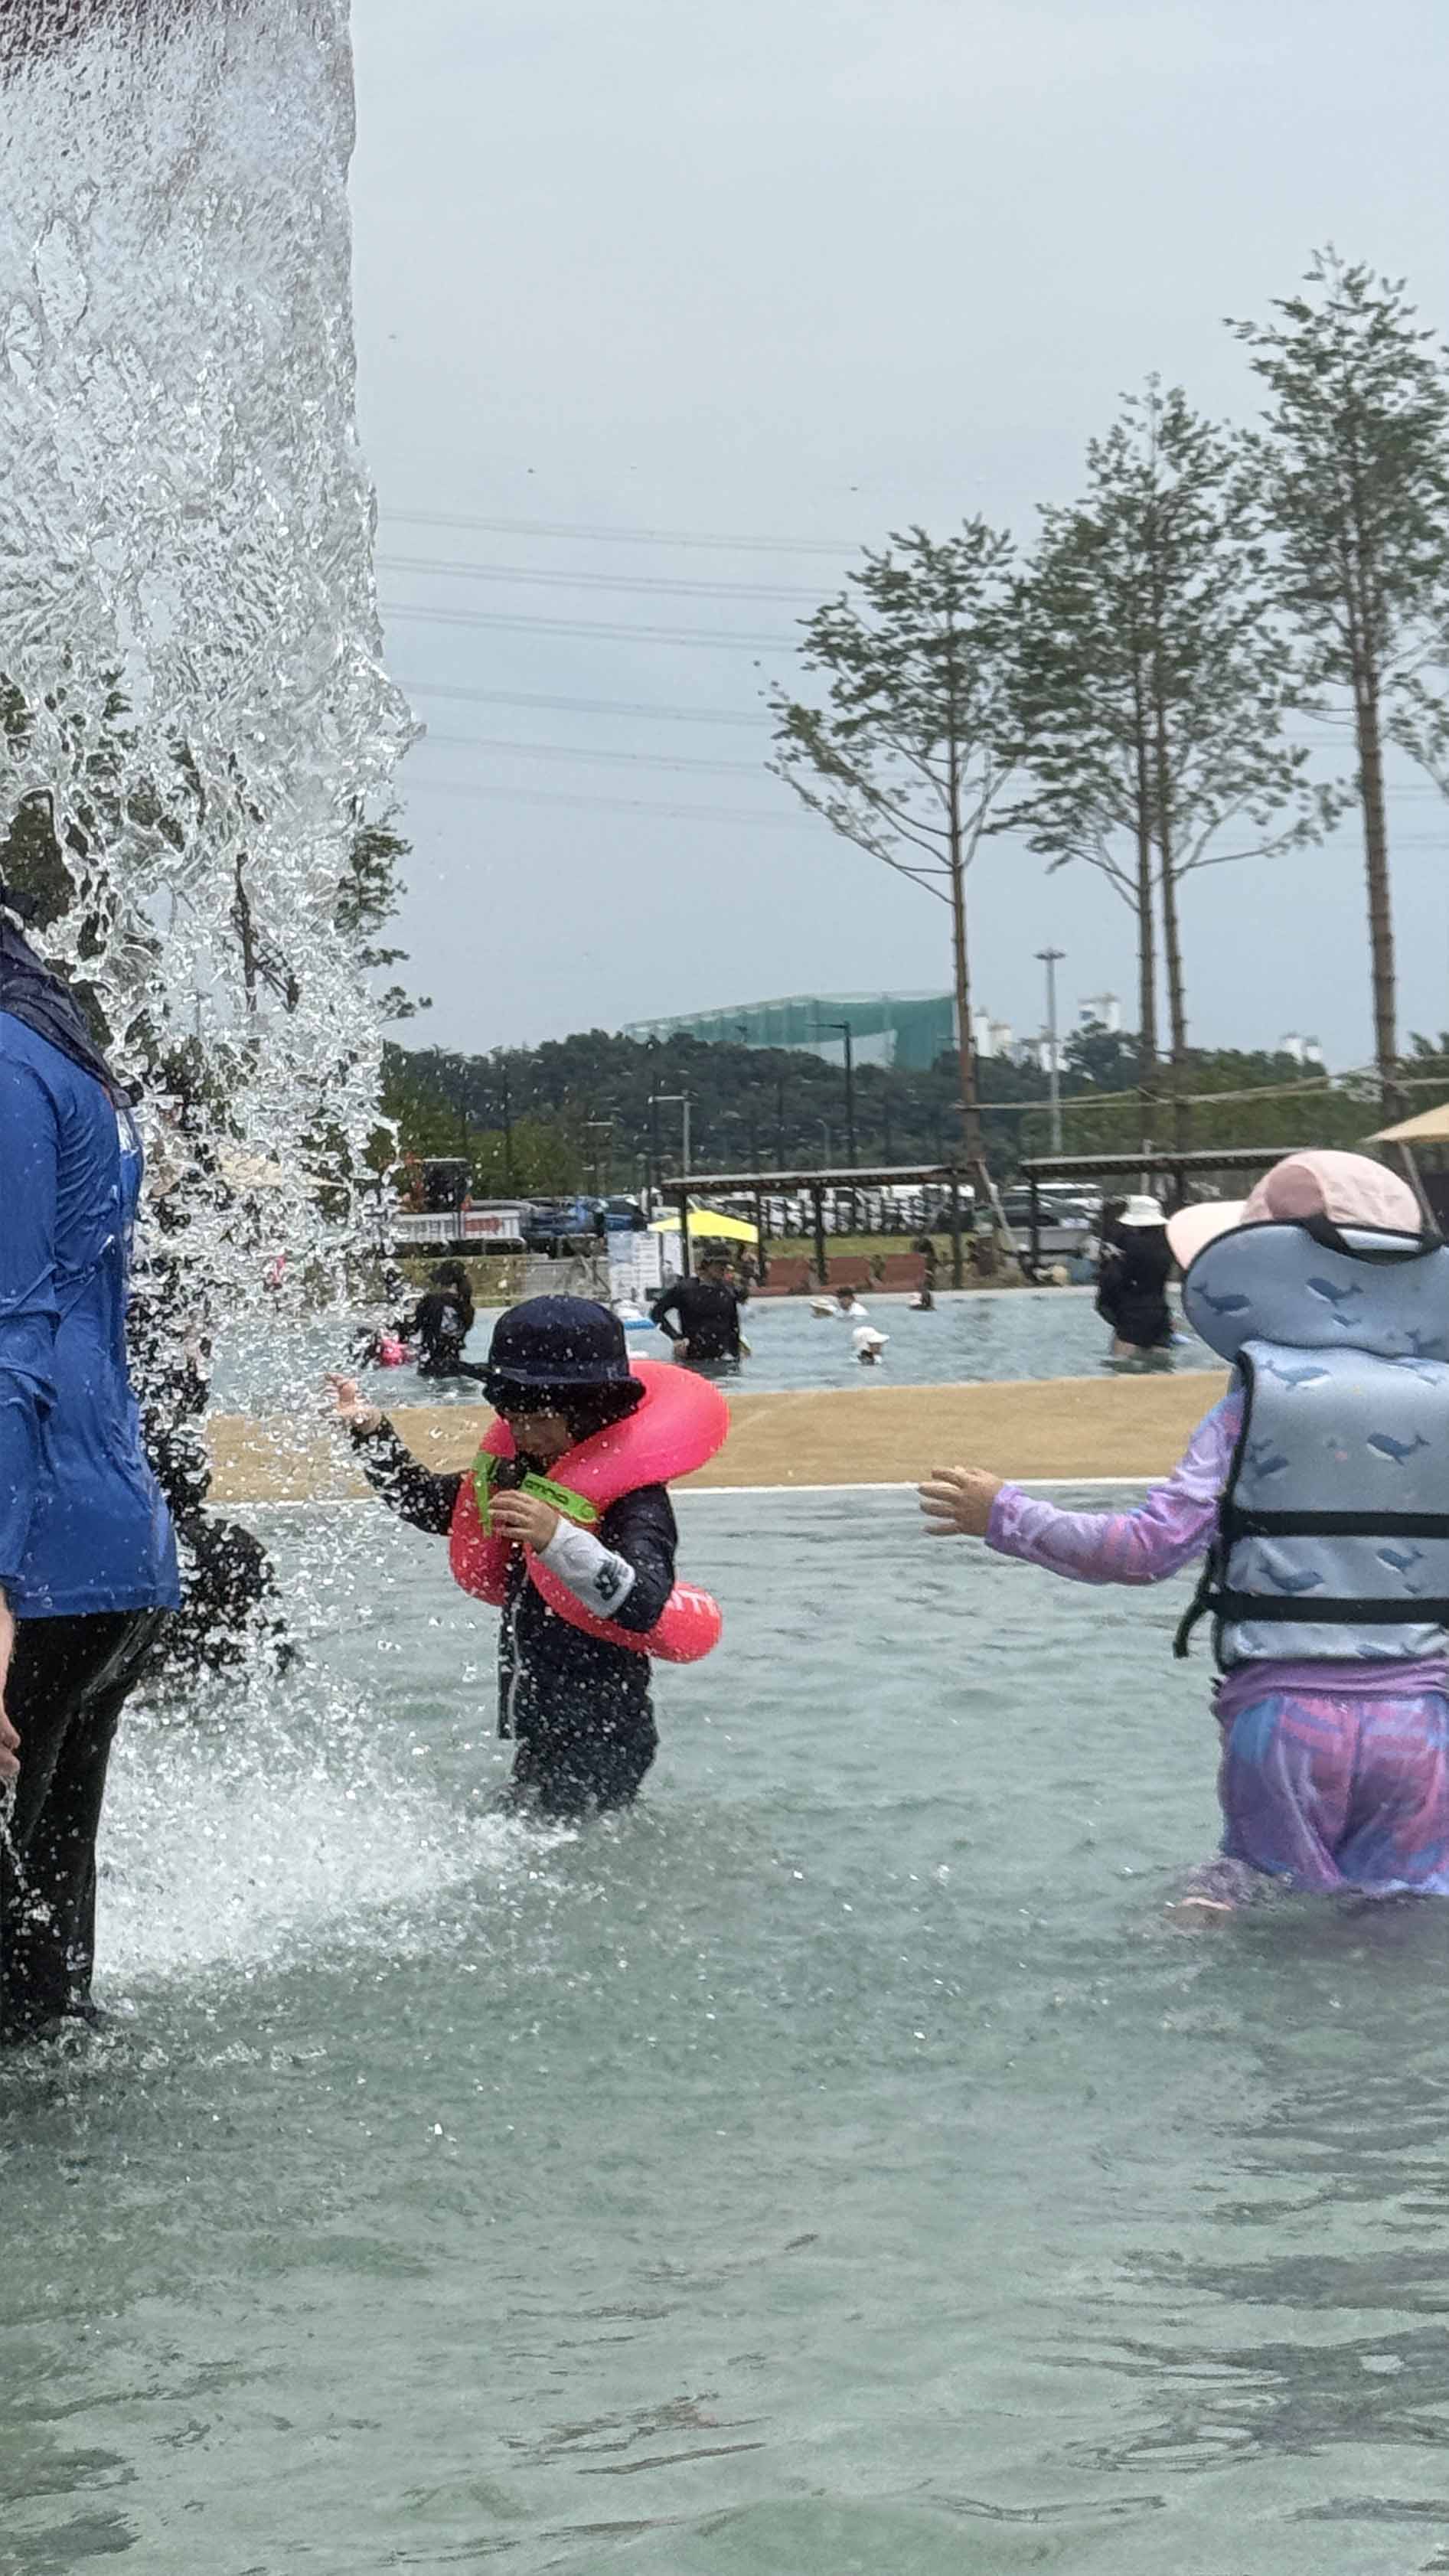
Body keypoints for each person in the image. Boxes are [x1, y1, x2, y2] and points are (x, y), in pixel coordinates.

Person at [919, 1151, 1449, 1918]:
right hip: (1421, 1730)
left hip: (1285, 1723)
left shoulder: (1256, 1401)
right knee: (1407, 1921)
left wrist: (1005, 1512)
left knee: (1254, 1898)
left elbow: (1146, 1550)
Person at [0, 886, 180, 2042]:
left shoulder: (8, 1071)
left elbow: (9, 1340)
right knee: (41, 1989)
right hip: (105, 1547)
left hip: (36, 1561)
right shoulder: (58, 1051)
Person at [330, 1297, 720, 1817]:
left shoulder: (635, 1500)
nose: (523, 1435)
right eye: (512, 1418)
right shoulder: (515, 1474)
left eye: (539, 1419)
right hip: (542, 1724)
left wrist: (556, 1538)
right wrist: (372, 1432)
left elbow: (646, 1601)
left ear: (591, 1411)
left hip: (604, 1730)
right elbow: (423, 1502)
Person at [1095, 1193, 1174, 1359]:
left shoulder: (1126, 1246)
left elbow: (1114, 1281)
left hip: (1133, 1314)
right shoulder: (1166, 1247)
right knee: (1162, 1369)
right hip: (1160, 1313)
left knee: (1121, 1368)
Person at [649, 1249, 746, 1375]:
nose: (723, 1268)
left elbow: (733, 1326)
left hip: (723, 1358)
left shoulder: (729, 1292)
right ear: (707, 1265)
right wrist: (676, 1338)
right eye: (719, 1264)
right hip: (692, 1358)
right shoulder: (685, 1289)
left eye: (725, 1264)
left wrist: (737, 1353)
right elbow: (656, 1314)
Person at [410, 1259, 477, 1379]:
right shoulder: (466, 1307)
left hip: (430, 1368)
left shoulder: (430, 1301)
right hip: (456, 1368)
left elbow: (411, 1330)